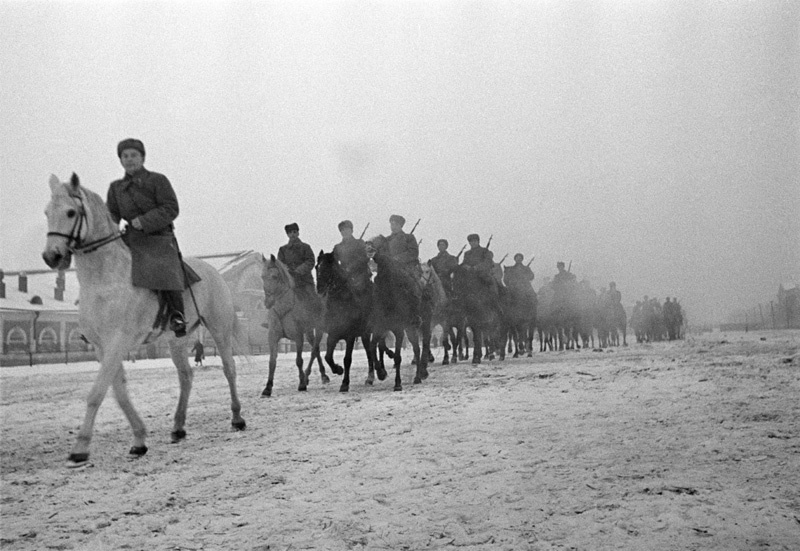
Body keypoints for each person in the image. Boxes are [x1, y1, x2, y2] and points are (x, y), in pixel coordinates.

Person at [106, 138, 187, 337]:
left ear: (142, 157)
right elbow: (112, 215)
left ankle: (176, 314)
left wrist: (144, 221)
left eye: (134, 155)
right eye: (125, 156)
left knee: (162, 267)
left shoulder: (158, 180)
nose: (129, 160)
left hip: (159, 238)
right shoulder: (116, 188)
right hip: (130, 238)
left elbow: (171, 208)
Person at [277, 222, 319, 309]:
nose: (292, 234)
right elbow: (280, 264)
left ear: (298, 233)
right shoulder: (283, 250)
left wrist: (298, 271)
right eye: (290, 232)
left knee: (314, 302)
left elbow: (310, 261)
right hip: (289, 282)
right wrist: (288, 272)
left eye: (294, 232)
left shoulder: (306, 247)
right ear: (287, 234)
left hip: (305, 281)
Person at [332, 220, 371, 291]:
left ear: (351, 230)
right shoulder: (337, 247)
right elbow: (334, 262)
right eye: (342, 230)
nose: (344, 232)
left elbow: (366, 258)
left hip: (360, 277)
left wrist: (352, 266)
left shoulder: (360, 243)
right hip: (344, 278)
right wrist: (342, 271)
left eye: (347, 229)